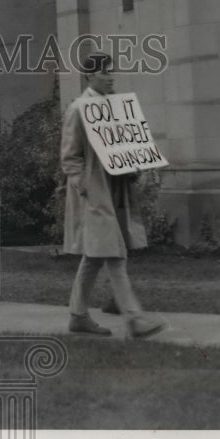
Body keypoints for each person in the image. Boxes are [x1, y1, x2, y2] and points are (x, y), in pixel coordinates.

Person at [60, 54, 166, 338]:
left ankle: (78, 316)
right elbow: (70, 157)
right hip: (95, 193)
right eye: (105, 73)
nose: (111, 77)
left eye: (112, 72)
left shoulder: (113, 106)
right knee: (114, 255)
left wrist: (133, 164)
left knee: (95, 256)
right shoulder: (78, 110)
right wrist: (84, 187)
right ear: (89, 76)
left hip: (116, 189)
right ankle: (133, 320)